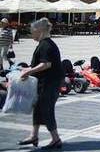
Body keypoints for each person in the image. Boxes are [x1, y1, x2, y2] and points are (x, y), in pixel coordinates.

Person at [18, 18, 63, 149]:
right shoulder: (44, 43)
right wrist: (29, 69)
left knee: (46, 109)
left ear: (40, 31)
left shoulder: (46, 45)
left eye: (32, 31)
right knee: (38, 107)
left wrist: (28, 72)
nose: (31, 34)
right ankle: (34, 135)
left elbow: (46, 64)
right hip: (47, 81)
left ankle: (56, 139)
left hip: (50, 82)